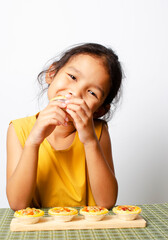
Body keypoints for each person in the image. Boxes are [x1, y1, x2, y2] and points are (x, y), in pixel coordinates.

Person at [6, 43, 123, 211]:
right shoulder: (18, 130)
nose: (75, 92)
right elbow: (17, 204)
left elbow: (107, 202)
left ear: (99, 110)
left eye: (92, 93)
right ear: (51, 74)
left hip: (85, 230)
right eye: (73, 77)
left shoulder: (98, 133)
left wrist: (90, 141)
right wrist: (33, 142)